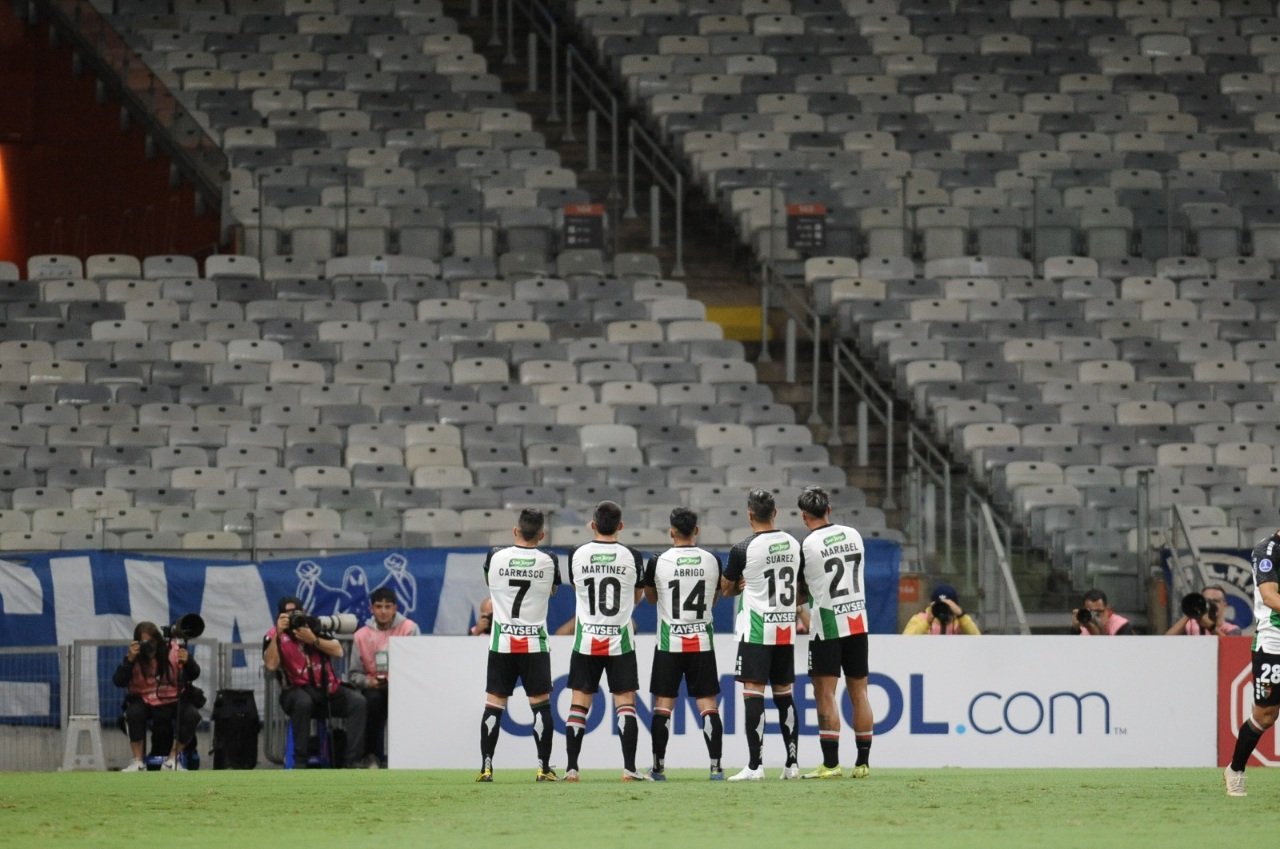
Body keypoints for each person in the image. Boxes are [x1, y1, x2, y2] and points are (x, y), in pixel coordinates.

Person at [563, 500, 647, 782]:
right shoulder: (633, 556)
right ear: (620, 526)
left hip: (586, 639)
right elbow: (636, 597)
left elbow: (578, 589)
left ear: (593, 525)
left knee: (579, 703)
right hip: (619, 640)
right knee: (625, 703)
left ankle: (571, 769)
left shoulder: (576, 553)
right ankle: (629, 769)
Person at [721, 488, 802, 781]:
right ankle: (792, 764)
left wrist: (741, 584)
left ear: (749, 515)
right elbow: (801, 589)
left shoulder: (743, 548)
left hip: (756, 630)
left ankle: (755, 766)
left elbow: (725, 589)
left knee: (753, 694)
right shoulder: (793, 544)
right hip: (785, 629)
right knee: (784, 695)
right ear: (775, 513)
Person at [477, 508, 561, 783]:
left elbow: (490, 583)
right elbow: (552, 591)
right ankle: (543, 768)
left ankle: (486, 768)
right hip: (534, 643)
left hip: (502, 642)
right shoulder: (549, 560)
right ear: (542, 535)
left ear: (515, 530)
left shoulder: (495, 556)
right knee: (540, 705)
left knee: (494, 704)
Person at [797, 486, 875, 779]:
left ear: (804, 516)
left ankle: (831, 765)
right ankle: (862, 763)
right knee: (860, 693)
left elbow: (802, 590)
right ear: (829, 510)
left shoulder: (808, 546)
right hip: (857, 621)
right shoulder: (853, 535)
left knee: (825, 693)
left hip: (827, 625)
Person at [642, 507, 725, 781]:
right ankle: (715, 767)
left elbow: (651, 599)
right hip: (701, 641)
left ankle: (658, 768)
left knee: (663, 705)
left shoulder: (658, 561)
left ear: (671, 532)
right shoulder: (712, 560)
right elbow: (714, 598)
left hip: (670, 643)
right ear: (696, 530)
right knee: (708, 704)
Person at [263, 596, 367, 768]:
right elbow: (271, 665)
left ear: (303, 612)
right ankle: (300, 762)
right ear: (280, 616)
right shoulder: (272, 635)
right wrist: (278, 635)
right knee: (303, 702)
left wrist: (313, 640)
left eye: (296, 613)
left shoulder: (313, 626)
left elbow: (338, 651)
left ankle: (353, 761)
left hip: (325, 690)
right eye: (288, 614)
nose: (293, 617)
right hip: (294, 692)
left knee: (358, 701)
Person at [113, 621, 201, 771]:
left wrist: (188, 662)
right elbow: (118, 681)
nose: (150, 646)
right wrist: (129, 661)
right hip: (144, 699)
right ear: (137, 643)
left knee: (192, 715)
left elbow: (194, 673)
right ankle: (138, 761)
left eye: (152, 642)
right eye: (145, 643)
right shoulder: (134, 657)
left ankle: (173, 758)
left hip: (172, 698)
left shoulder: (173, 650)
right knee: (133, 713)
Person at [1226, 531, 1276, 796]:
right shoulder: (1267, 551)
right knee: (1266, 715)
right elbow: (1269, 597)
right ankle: (1235, 770)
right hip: (1274, 643)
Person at [348, 586, 420, 768]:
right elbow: (354, 674)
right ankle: (374, 756)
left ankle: (410, 756)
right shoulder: (360, 635)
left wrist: (400, 681)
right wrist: (368, 682)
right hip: (374, 687)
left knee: (408, 703)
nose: (383, 611)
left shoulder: (409, 628)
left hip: (405, 686)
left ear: (395, 608)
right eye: (379, 606)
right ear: (371, 609)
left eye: (388, 606)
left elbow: (418, 664)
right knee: (371, 701)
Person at [903, 584, 981, 635]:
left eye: (947, 606)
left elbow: (977, 639)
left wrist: (961, 615)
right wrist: (927, 622)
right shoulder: (920, 618)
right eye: (939, 605)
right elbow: (906, 642)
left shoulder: (960, 621)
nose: (942, 609)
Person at [1165, 585, 1242, 636]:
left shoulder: (1232, 629)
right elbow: (1166, 640)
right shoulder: (1190, 626)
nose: (1211, 604)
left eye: (1215, 601)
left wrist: (1211, 627)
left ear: (1224, 605)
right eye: (1207, 601)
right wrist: (1191, 611)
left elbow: (1231, 648)